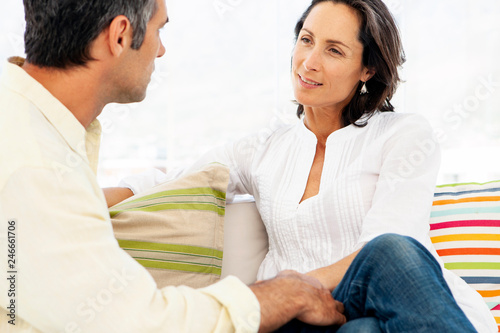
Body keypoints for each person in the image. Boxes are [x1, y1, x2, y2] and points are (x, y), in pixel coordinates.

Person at [118, 0, 498, 332]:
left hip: (394, 306)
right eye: (306, 40)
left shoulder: (404, 135)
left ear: (367, 69)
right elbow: (170, 181)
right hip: (297, 323)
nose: (309, 62)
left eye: (334, 51)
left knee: (384, 268)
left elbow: (392, 243)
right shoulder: (263, 148)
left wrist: (290, 286)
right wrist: (73, 196)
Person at [0, 0, 348, 332]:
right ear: (120, 35)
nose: (161, 50)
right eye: (158, 30)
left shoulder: (27, 129)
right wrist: (279, 295)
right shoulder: (36, 168)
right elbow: (137, 323)